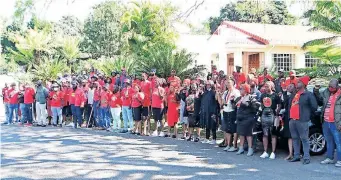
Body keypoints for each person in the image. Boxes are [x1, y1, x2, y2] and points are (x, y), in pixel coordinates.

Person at [289, 76, 318, 165]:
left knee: (304, 139)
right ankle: (296, 155)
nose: (297, 83)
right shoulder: (295, 94)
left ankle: (306, 157)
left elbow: (314, 107)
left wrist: (307, 115)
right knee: (295, 138)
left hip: (302, 120)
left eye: (299, 82)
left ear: (303, 84)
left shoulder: (308, 95)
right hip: (293, 120)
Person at [314, 79, 341, 167]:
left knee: (338, 142)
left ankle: (340, 160)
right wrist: (316, 90)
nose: (330, 88)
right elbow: (320, 100)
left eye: (332, 87)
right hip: (326, 121)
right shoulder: (327, 92)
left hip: (336, 122)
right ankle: (330, 158)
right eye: (329, 86)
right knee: (329, 141)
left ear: (337, 86)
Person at [235, 84, 260, 156]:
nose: (240, 90)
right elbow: (235, 106)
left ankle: (250, 149)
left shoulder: (251, 97)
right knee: (241, 134)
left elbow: (255, 107)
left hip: (248, 118)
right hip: (240, 118)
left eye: (241, 89)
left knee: (249, 135)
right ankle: (241, 148)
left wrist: (247, 104)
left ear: (245, 90)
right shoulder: (240, 98)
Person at [259, 81, 281, 159]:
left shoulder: (275, 95)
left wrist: (277, 113)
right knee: (265, 134)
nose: (266, 87)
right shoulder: (262, 95)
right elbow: (261, 104)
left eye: (267, 86)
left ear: (271, 87)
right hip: (264, 114)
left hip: (272, 115)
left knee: (273, 134)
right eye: (265, 86)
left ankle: (273, 152)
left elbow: (279, 105)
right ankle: (265, 151)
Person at [221, 78, 240, 152]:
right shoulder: (226, 92)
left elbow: (238, 101)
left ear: (233, 83)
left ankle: (235, 145)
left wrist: (233, 103)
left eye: (229, 82)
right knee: (227, 128)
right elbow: (222, 102)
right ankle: (229, 144)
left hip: (232, 111)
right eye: (226, 83)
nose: (227, 84)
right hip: (226, 110)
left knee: (234, 128)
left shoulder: (236, 92)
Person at [201, 80, 218, 144]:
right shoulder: (205, 92)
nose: (207, 85)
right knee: (207, 124)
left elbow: (216, 102)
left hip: (212, 111)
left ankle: (214, 139)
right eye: (207, 84)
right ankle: (207, 138)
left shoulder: (213, 92)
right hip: (206, 111)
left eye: (209, 84)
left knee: (213, 125)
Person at [282, 83, 296, 160]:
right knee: (289, 136)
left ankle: (297, 153)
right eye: (288, 86)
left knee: (296, 136)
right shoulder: (288, 96)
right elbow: (285, 104)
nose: (288, 87)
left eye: (290, 86)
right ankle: (290, 153)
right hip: (288, 118)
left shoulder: (297, 96)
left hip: (295, 118)